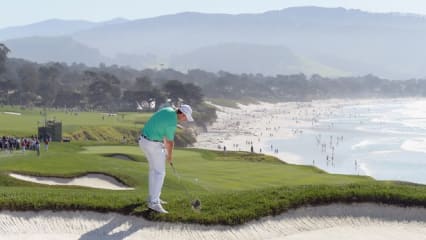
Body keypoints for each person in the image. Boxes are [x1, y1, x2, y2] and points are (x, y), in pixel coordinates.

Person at [138, 104, 194, 214]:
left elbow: (160, 128)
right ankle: (154, 203)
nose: (185, 119)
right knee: (160, 173)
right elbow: (169, 142)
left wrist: (165, 151)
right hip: (152, 144)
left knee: (153, 170)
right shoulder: (172, 124)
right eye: (185, 117)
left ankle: (153, 197)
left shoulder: (166, 109)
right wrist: (169, 156)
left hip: (143, 141)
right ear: (181, 113)